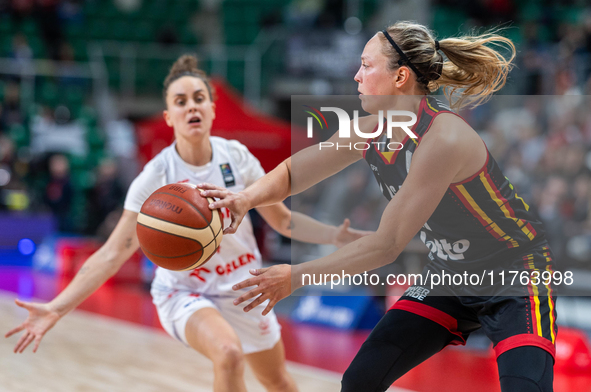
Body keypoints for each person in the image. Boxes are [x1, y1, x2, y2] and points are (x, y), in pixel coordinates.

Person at [199, 21, 557, 392]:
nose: (356, 76)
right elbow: (294, 172)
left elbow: (386, 245)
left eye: (366, 65)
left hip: (514, 273)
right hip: (449, 275)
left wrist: (295, 276)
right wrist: (246, 198)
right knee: (359, 381)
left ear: (400, 76)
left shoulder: (443, 138)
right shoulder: (368, 129)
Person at [4, 55, 369, 392]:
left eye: (198, 98)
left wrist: (332, 235)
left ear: (211, 108)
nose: (191, 105)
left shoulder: (236, 157)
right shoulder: (156, 177)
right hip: (184, 292)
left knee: (279, 383)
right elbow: (113, 253)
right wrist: (56, 306)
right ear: (168, 116)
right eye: (180, 101)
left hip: (244, 288)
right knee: (228, 354)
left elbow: (283, 221)